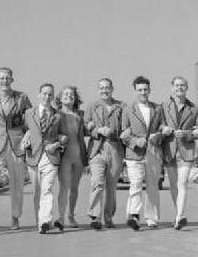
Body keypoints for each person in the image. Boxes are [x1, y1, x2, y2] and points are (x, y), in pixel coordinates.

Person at [0, 67, 32, 230]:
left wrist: (28, 134)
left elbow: (31, 119)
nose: (4, 81)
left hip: (16, 145)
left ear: (12, 79)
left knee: (17, 183)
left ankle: (15, 217)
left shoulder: (22, 97)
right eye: (1, 78)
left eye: (7, 78)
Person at [120, 76, 165, 230]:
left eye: (145, 89)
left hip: (153, 152)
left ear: (150, 90)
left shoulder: (158, 108)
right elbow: (123, 134)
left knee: (152, 186)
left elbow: (162, 127)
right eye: (139, 90)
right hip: (134, 154)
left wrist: (159, 135)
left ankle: (152, 218)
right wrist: (134, 141)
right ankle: (134, 215)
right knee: (136, 184)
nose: (143, 92)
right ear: (135, 91)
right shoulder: (128, 110)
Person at [21, 83, 68, 234]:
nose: (47, 97)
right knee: (37, 192)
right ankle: (39, 221)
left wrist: (57, 143)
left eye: (50, 95)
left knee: (47, 189)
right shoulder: (29, 113)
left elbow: (64, 136)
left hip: (51, 156)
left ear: (53, 97)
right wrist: (25, 139)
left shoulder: (58, 116)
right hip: (33, 156)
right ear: (39, 94)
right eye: (44, 94)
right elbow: (25, 130)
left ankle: (45, 221)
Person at [161, 76, 198, 230]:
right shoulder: (164, 106)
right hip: (170, 150)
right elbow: (159, 124)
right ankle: (178, 214)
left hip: (186, 150)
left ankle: (179, 217)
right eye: (177, 85)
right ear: (172, 88)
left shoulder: (195, 108)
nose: (179, 88)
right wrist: (163, 129)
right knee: (173, 186)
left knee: (182, 183)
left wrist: (187, 134)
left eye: (182, 85)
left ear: (187, 88)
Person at [84, 78, 126, 230]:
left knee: (111, 185)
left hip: (115, 147)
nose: (104, 90)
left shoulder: (121, 106)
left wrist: (115, 131)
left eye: (107, 87)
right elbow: (85, 126)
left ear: (112, 88)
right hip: (97, 148)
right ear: (98, 90)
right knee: (97, 182)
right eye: (101, 88)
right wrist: (97, 130)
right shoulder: (91, 106)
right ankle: (95, 217)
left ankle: (108, 217)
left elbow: (126, 127)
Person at [56, 86, 88, 228]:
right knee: (64, 187)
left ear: (75, 98)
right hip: (64, 156)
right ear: (60, 98)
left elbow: (88, 131)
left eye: (72, 94)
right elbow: (49, 133)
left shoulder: (81, 115)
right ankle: (60, 217)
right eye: (66, 94)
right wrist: (58, 137)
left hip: (79, 156)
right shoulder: (56, 114)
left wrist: (92, 126)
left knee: (75, 188)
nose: (69, 96)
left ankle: (71, 215)